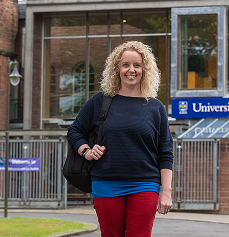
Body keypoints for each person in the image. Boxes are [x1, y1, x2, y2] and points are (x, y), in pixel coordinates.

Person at [67, 41, 173, 237]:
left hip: (145, 185)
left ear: (145, 69)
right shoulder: (100, 101)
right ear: (117, 69)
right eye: (125, 65)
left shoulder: (156, 108)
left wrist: (166, 191)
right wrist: (87, 152)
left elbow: (165, 153)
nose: (131, 70)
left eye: (137, 65)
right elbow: (74, 131)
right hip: (106, 183)